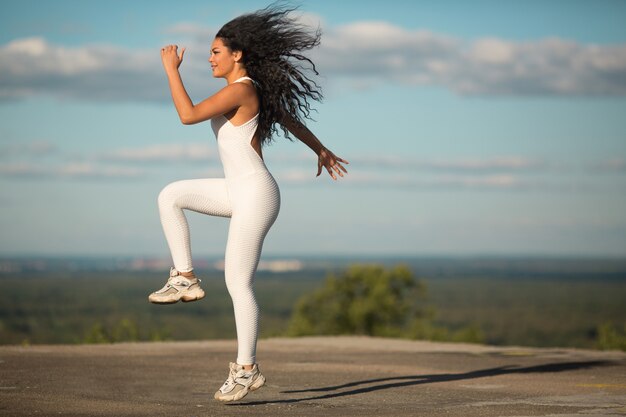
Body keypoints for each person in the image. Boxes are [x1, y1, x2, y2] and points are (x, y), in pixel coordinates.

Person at [148, 4, 348, 403]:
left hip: (255, 192)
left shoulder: (240, 88)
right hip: (238, 188)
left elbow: (187, 116)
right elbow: (289, 118)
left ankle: (246, 370)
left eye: (215, 51)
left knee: (238, 282)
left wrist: (171, 69)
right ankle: (184, 276)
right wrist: (320, 148)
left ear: (237, 54)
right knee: (171, 194)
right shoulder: (251, 88)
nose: (209, 58)